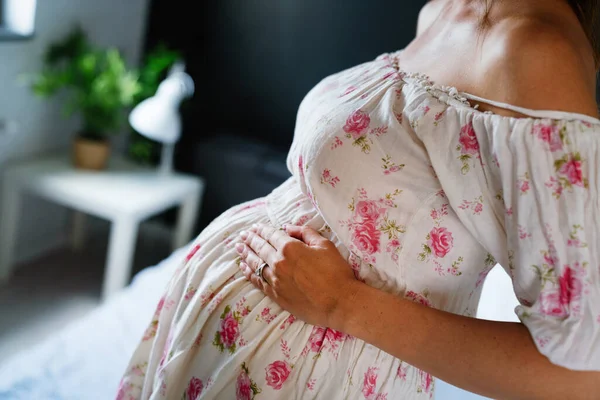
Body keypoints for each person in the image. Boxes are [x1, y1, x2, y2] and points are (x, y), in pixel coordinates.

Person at [119, 0, 600, 398]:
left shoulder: (537, 51)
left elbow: (578, 376)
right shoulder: (443, 11)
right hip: (213, 338)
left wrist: (344, 304)